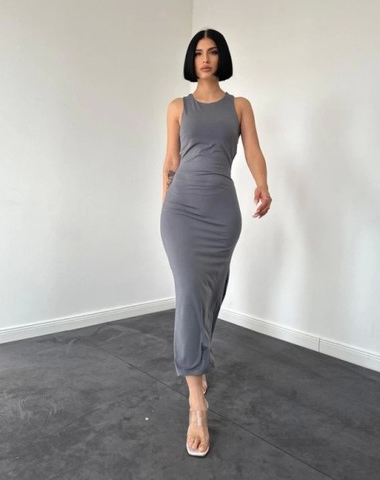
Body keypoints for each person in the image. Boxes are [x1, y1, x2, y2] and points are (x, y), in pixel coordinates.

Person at [160, 28, 272, 457]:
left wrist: (262, 184)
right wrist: (165, 210)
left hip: (222, 212)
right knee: (190, 292)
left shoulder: (239, 106)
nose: (204, 59)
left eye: (211, 52)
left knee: (210, 294)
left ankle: (199, 360)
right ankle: (196, 402)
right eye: (198, 53)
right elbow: (171, 162)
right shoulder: (177, 107)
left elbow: (253, 151)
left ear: (221, 58)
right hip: (181, 210)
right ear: (191, 61)